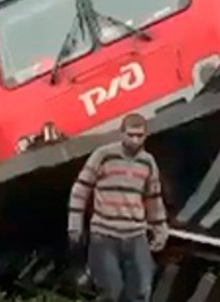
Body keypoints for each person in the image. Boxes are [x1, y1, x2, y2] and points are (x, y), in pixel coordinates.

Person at [67, 113, 169, 302]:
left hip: (135, 234)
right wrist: (75, 223)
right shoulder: (104, 156)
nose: (135, 140)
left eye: (140, 135)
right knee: (112, 291)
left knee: (141, 288)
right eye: (131, 135)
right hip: (104, 235)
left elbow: (153, 197)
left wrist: (160, 228)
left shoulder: (148, 162)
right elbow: (81, 188)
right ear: (121, 134)